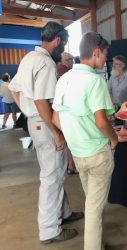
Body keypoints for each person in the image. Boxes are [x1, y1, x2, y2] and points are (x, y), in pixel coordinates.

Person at [9, 21, 83, 244]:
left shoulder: (28, 59)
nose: (64, 49)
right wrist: (56, 132)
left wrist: (26, 109)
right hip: (45, 124)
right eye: (65, 43)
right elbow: (42, 100)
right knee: (52, 177)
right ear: (58, 40)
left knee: (55, 171)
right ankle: (50, 230)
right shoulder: (46, 63)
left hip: (36, 123)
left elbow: (14, 89)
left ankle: (64, 213)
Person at [52, 32, 118, 250]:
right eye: (105, 55)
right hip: (98, 153)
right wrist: (114, 139)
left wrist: (75, 135)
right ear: (96, 51)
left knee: (92, 202)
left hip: (79, 153)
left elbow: (55, 118)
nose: (105, 60)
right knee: (93, 209)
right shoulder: (95, 81)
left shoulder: (63, 79)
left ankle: (97, 243)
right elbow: (101, 122)